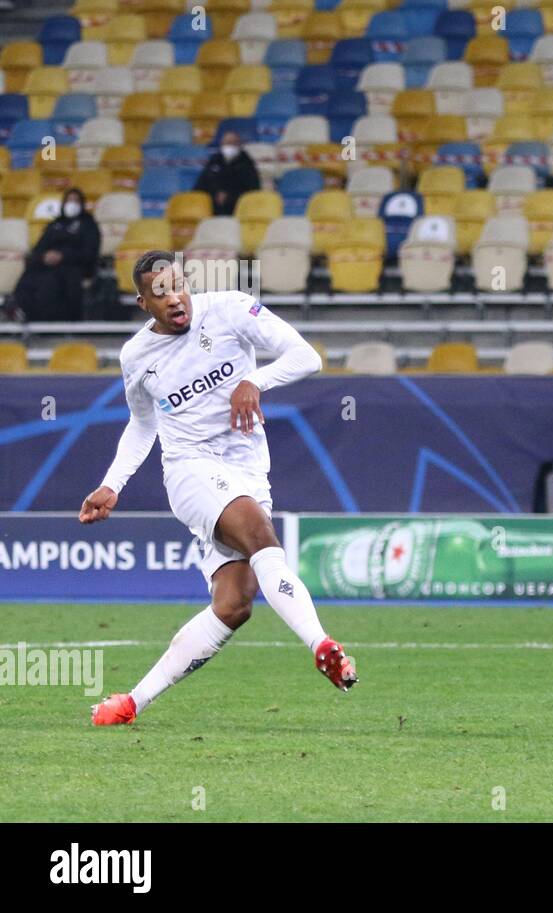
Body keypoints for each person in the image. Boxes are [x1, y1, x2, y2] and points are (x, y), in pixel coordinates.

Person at [80, 250, 356, 726]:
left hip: (248, 469)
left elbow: (306, 357)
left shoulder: (230, 308)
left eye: (178, 284)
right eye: (160, 293)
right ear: (143, 302)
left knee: (234, 604)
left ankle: (129, 704)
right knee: (259, 534)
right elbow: (142, 424)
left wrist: (254, 379)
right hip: (189, 469)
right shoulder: (136, 356)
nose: (174, 298)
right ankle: (323, 645)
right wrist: (112, 483)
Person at [12, 188, 101, 322]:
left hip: (74, 265)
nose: (72, 204)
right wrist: (44, 256)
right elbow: (38, 248)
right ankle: (24, 312)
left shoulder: (89, 225)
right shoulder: (55, 224)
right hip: (48, 264)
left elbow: (89, 253)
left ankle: (59, 320)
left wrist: (63, 256)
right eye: (69, 201)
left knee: (51, 281)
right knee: (29, 276)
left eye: (76, 201)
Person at [194, 131, 261, 216]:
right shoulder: (214, 161)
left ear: (240, 145)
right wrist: (215, 195)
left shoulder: (247, 164)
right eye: (228, 143)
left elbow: (253, 191)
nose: (231, 146)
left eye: (234, 143)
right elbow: (200, 186)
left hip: (238, 210)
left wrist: (230, 197)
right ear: (222, 144)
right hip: (212, 209)